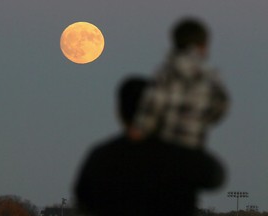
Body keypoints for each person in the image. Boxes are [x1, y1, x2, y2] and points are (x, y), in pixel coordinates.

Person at [74, 76, 225, 216]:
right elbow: (216, 177)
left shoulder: (100, 158)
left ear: (119, 112)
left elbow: (83, 202)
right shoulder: (177, 156)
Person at [133, 18, 230, 149]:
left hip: (164, 150)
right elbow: (220, 106)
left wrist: (139, 131)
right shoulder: (210, 75)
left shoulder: (166, 73)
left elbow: (152, 109)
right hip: (194, 150)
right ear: (203, 45)